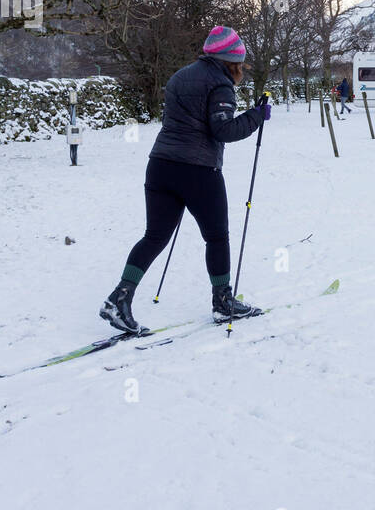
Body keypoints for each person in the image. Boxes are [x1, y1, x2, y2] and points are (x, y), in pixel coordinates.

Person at [100, 25, 270, 333]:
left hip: (160, 165)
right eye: (241, 62)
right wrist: (257, 115)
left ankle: (119, 298)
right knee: (217, 237)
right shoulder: (220, 84)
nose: (242, 68)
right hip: (198, 170)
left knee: (155, 235)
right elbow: (223, 130)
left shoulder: (179, 76)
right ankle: (223, 302)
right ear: (231, 60)